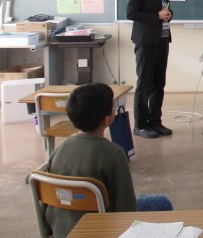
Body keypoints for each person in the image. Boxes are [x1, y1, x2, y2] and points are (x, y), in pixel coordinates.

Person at [45, 83, 172, 237]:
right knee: (162, 202)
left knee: (142, 198)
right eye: (112, 107)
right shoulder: (114, 153)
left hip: (62, 230)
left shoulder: (60, 149)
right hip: (101, 227)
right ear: (106, 120)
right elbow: (126, 209)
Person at [126, 0, 174, 139]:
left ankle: (155, 121)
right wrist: (156, 16)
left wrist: (168, 14)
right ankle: (140, 125)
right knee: (145, 83)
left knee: (159, 83)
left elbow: (166, 8)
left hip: (163, 38)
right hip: (146, 40)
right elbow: (132, 13)